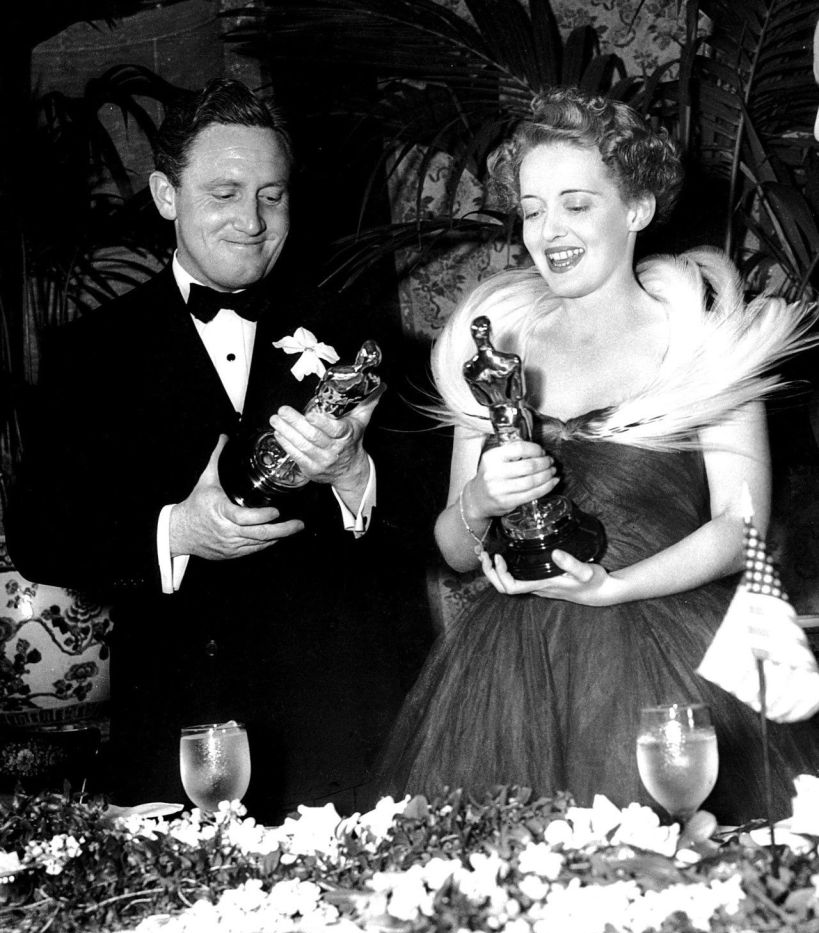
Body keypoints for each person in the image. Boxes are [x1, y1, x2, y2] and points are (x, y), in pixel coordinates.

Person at [373, 86, 819, 825]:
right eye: (532, 210)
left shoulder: (704, 339)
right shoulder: (494, 341)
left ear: (636, 207)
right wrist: (480, 501)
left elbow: (739, 527)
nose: (549, 230)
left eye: (576, 204)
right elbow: (453, 549)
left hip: (669, 657)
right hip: (511, 677)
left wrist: (614, 587)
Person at [6, 78, 415, 822]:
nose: (252, 221)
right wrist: (176, 531)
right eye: (224, 193)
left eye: (271, 196)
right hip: (182, 733)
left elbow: (437, 523)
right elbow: (40, 534)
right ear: (167, 195)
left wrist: (355, 473)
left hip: (343, 730)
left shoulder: (359, 334)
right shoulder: (89, 353)